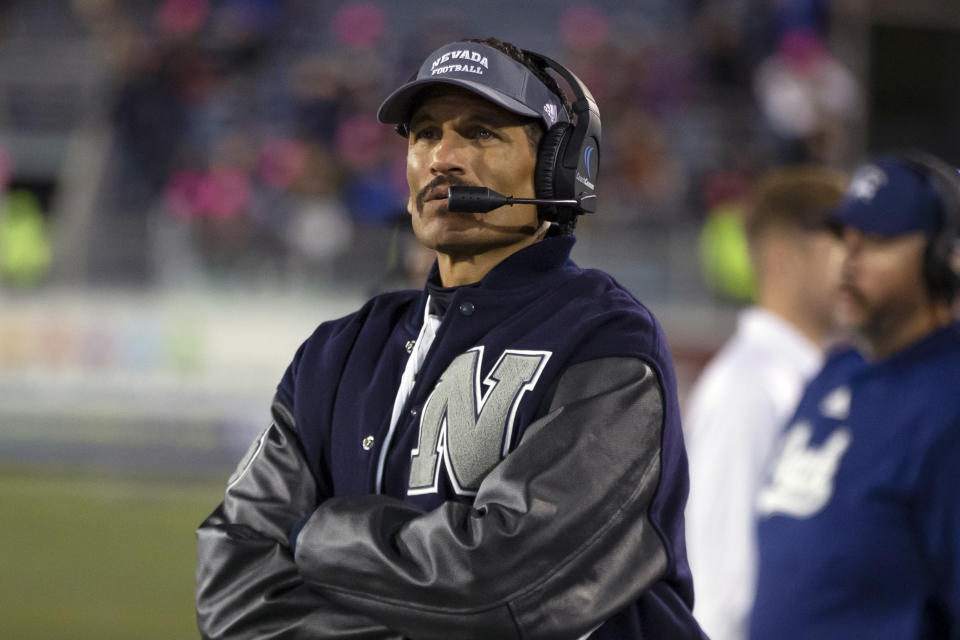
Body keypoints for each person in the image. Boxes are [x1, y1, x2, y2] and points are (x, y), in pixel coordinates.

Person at [196, 37, 705, 639]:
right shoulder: (336, 354)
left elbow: (500, 587)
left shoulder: (606, 340)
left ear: (558, 168)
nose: (443, 158)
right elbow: (234, 593)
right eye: (425, 134)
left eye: (481, 132)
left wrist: (316, 536)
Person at [750, 152, 960, 639]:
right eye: (846, 238)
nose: (849, 260)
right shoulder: (834, 376)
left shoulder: (949, 401)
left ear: (942, 258)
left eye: (877, 242)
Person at [683, 165, 848, 640]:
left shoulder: (807, 379)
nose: (856, 259)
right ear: (782, 257)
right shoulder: (748, 387)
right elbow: (721, 587)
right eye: (839, 238)